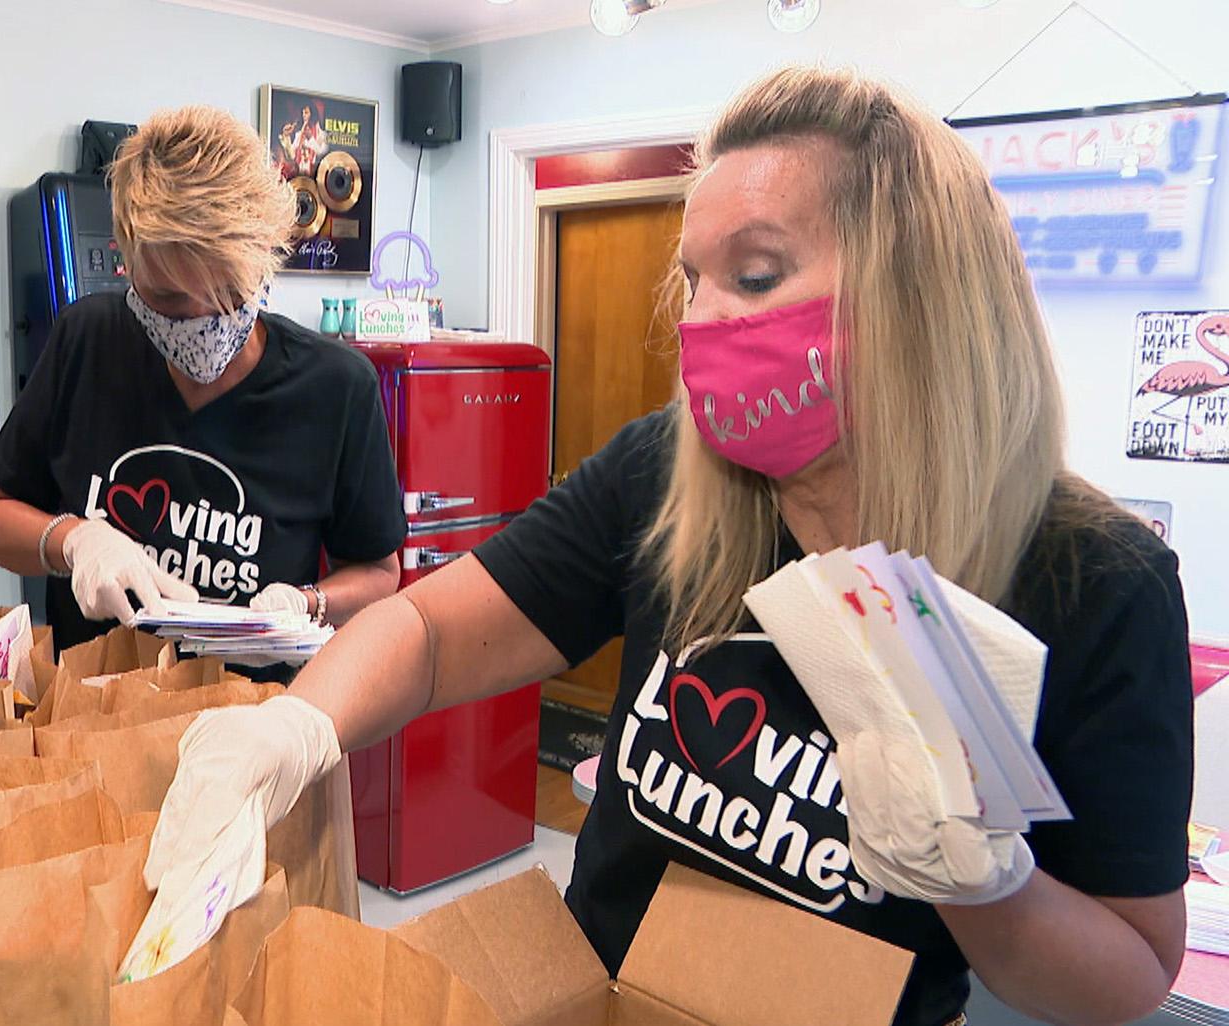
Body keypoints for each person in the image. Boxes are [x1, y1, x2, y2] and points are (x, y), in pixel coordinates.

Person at [145, 67, 1193, 1026]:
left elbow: (1133, 970)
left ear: (917, 292)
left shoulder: (1093, 581)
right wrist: (294, 728)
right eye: (696, 280)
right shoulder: (665, 478)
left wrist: (986, 885)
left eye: (759, 273)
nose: (706, 321)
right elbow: (427, 629)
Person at [0, 105, 404, 666]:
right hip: (97, 718)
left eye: (229, 290)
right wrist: (74, 542)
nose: (204, 317)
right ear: (127, 262)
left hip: (254, 726)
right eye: (171, 298)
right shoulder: (88, 342)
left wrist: (307, 601)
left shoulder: (337, 388)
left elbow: (379, 570)